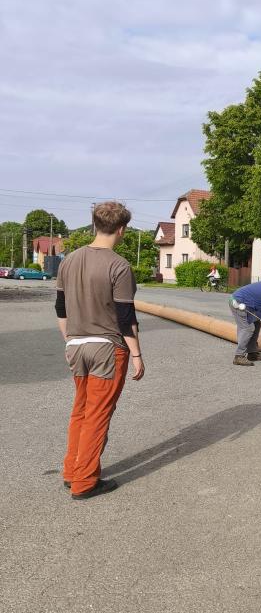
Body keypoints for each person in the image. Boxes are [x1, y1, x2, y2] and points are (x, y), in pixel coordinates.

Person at [55, 200, 145, 499]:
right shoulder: (119, 265)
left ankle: (72, 471)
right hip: (107, 349)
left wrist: (70, 340)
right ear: (121, 230)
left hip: (76, 345)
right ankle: (84, 482)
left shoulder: (69, 260)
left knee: (81, 410)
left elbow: (60, 308)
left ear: (95, 224)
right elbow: (125, 318)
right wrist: (136, 355)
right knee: (98, 414)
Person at [229, 280, 261, 366]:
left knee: (257, 324)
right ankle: (239, 356)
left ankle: (252, 353)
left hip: (248, 303)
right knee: (247, 328)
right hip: (238, 302)